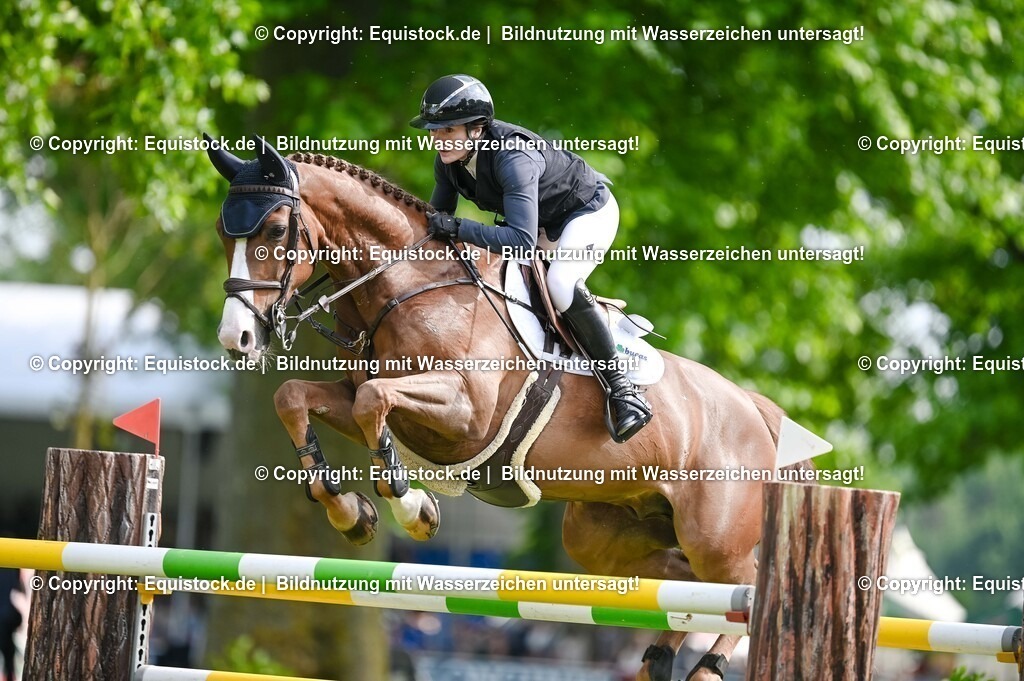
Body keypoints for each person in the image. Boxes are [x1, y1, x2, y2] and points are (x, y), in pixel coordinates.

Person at [410, 74, 652, 443]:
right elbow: (436, 228)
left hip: (585, 214)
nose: (437, 138)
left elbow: (520, 241)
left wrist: (458, 227)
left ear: (477, 129)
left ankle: (623, 391)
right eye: (433, 130)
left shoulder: (513, 158)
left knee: (560, 283)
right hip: (539, 224)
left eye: (447, 130)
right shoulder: (448, 162)